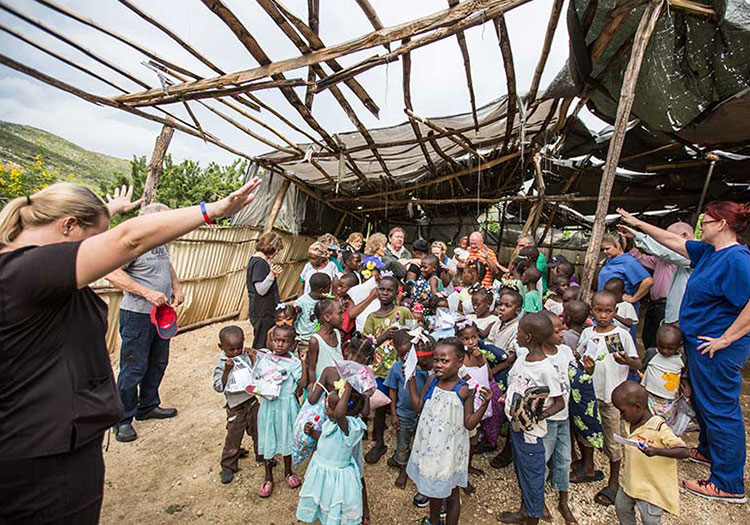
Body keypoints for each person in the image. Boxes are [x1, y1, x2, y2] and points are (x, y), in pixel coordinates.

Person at [0, 177, 262, 524]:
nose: (98, 250)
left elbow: (93, 232)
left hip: (52, 442)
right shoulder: (23, 270)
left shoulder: (26, 268)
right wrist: (213, 210)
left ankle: (146, 405)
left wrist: (106, 211)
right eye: (95, 239)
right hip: (43, 459)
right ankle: (127, 415)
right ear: (67, 225)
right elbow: (129, 239)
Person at [618, 203, 750, 503]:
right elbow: (674, 241)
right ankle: (706, 451)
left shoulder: (737, 259)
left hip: (716, 348)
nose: (701, 225)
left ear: (723, 224)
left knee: (720, 409)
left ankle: (728, 484)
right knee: (702, 402)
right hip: (701, 344)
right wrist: (638, 223)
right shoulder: (709, 252)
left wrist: (726, 339)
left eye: (706, 221)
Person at [105, 202, 181, 442]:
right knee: (134, 367)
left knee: (158, 361)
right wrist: (146, 292)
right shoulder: (134, 244)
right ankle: (123, 419)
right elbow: (112, 272)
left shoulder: (160, 241)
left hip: (161, 315)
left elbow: (166, 264)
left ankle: (147, 406)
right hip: (137, 315)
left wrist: (177, 286)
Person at [406, 338, 491, 525]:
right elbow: (418, 406)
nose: (438, 365)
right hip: (429, 447)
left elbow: (469, 424)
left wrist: (483, 406)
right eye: (436, 360)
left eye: (445, 361)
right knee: (434, 490)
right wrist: (411, 380)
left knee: (452, 492)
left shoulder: (464, 390)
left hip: (450, 451)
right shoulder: (432, 381)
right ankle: (435, 521)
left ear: (460, 362)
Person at [497, 313, 564, 525]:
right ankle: (525, 511)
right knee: (522, 470)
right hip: (516, 428)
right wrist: (507, 398)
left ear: (527, 337)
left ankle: (533, 516)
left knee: (533, 476)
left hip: (531, 434)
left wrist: (537, 417)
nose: (515, 335)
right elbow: (516, 386)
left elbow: (559, 402)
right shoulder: (521, 360)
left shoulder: (546, 369)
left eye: (518, 332)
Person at [577, 291, 641, 507]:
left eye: (608, 311)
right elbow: (581, 356)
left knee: (613, 439)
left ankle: (614, 482)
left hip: (613, 397)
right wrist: (586, 365)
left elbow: (636, 363)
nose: (603, 315)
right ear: (592, 310)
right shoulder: (588, 333)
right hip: (590, 393)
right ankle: (588, 467)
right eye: (599, 310)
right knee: (587, 431)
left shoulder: (619, 335)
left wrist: (627, 361)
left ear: (615, 311)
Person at [611, 381, 689, 525]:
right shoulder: (629, 423)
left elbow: (684, 452)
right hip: (630, 482)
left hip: (650, 488)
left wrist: (657, 451)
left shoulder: (659, 427)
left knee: (650, 520)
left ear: (638, 407)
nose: (621, 416)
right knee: (621, 508)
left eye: (622, 411)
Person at [296, 383, 367, 525]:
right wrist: (312, 432)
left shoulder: (351, 428)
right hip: (322, 473)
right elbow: (326, 437)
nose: (326, 409)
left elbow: (340, 414)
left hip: (337, 477)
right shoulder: (332, 423)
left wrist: (347, 389)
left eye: (330, 407)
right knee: (324, 499)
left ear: (344, 410)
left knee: (335, 504)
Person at [363, 276, 414, 464]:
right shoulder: (372, 318)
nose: (384, 293)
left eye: (389, 290)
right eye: (381, 289)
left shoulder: (403, 312)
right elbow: (366, 347)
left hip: (403, 370)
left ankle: (405, 447)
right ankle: (379, 443)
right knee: (379, 407)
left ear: (396, 293)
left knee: (403, 406)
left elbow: (415, 333)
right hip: (380, 370)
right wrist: (383, 336)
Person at [256, 324, 307, 498]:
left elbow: (302, 383)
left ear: (292, 344)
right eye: (276, 340)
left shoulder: (293, 362)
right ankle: (268, 476)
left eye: (284, 342)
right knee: (269, 437)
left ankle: (288, 471)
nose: (279, 345)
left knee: (286, 437)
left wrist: (304, 362)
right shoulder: (265, 359)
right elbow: (256, 379)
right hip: (269, 406)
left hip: (287, 406)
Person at [539, 311, 578, 525]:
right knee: (542, 459)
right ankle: (539, 499)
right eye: (557, 332)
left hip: (564, 417)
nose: (562, 334)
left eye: (562, 329)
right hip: (546, 419)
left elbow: (574, 377)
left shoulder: (565, 352)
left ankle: (563, 500)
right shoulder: (538, 357)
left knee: (564, 460)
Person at [619, 221, 694, 326]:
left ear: (684, 236)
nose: (665, 242)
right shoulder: (661, 260)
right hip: (659, 306)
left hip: (672, 308)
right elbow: (642, 258)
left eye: (668, 238)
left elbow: (663, 252)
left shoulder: (689, 257)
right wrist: (632, 245)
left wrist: (638, 234)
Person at [385, 329, 433, 490]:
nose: (405, 359)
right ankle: (403, 469)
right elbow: (392, 390)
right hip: (403, 414)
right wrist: (393, 414)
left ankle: (418, 468)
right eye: (402, 355)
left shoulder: (426, 369)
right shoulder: (396, 368)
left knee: (422, 442)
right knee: (403, 443)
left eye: (409, 354)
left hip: (423, 414)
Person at [213, 325, 260, 484]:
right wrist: (227, 370)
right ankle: (228, 465)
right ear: (221, 347)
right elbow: (218, 387)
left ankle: (262, 456)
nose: (236, 352)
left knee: (258, 431)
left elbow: (257, 376)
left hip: (252, 402)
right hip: (236, 408)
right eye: (231, 349)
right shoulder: (222, 363)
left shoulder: (245, 356)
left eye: (239, 347)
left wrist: (253, 359)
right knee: (234, 437)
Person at [641, 324, 690, 432]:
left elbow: (684, 375)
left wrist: (686, 387)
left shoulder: (682, 359)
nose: (665, 351)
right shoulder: (652, 353)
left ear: (679, 346)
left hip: (669, 400)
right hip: (649, 395)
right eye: (661, 346)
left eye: (670, 348)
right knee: (648, 421)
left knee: (664, 424)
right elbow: (642, 367)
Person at [597, 232, 653, 322]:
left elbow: (648, 281)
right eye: (603, 249)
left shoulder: (628, 262)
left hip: (620, 310)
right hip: (605, 308)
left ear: (618, 245)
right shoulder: (609, 260)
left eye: (607, 249)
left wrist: (633, 298)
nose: (605, 252)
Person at [246, 231, 285, 349]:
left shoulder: (258, 261)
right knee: (261, 344)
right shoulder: (259, 263)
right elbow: (261, 289)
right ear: (271, 248)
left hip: (261, 310)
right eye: (277, 250)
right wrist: (272, 275)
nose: (277, 253)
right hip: (262, 311)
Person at [307, 299, 345, 381]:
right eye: (340, 313)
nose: (343, 317)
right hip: (322, 386)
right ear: (327, 317)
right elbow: (311, 369)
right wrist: (313, 388)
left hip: (338, 383)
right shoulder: (315, 341)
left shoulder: (337, 333)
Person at [294, 272, 332, 353]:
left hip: (318, 338)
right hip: (303, 339)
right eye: (329, 287)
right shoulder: (301, 302)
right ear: (321, 290)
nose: (330, 290)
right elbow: (294, 319)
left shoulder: (325, 301)